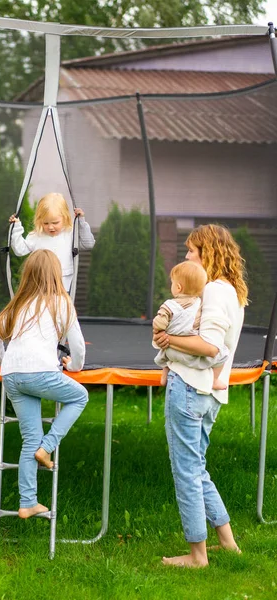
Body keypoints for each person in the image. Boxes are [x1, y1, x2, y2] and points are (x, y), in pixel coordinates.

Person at [153, 224, 248, 568]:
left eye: (192, 251)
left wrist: (168, 340)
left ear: (209, 252)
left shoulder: (215, 292)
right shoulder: (231, 292)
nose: (187, 256)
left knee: (186, 473)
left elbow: (210, 347)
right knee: (197, 469)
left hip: (191, 387)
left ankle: (197, 555)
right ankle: (227, 542)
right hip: (209, 393)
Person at [0, 249, 89, 519]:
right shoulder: (61, 303)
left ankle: (27, 502)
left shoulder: (18, 303)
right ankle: (48, 447)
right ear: (57, 275)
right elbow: (77, 345)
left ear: (27, 275)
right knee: (79, 397)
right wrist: (75, 366)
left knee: (29, 438)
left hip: (12, 376)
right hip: (40, 372)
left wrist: (3, 362)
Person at [153, 260, 229, 389]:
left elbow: (159, 321)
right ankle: (215, 379)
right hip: (190, 354)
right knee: (224, 353)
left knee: (164, 359)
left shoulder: (170, 305)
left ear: (178, 287)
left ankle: (164, 376)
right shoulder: (200, 304)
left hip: (170, 351)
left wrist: (158, 331)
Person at [8, 192, 95, 291]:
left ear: (65, 217)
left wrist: (81, 222)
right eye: (45, 223)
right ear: (40, 220)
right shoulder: (36, 236)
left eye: (55, 223)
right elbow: (19, 250)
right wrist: (16, 227)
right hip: (40, 287)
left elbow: (88, 244)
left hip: (64, 288)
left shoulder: (70, 234)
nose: (50, 227)